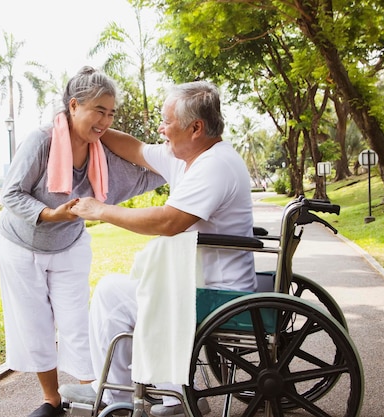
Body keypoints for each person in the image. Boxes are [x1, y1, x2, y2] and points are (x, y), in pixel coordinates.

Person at [59, 81, 257, 417]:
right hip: (199, 282)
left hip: (217, 293)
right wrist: (95, 127)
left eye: (167, 122)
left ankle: (115, 394)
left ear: (195, 128)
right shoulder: (187, 156)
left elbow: (169, 221)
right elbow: (135, 149)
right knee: (130, 291)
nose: (161, 130)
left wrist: (101, 210)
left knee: (110, 293)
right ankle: (169, 393)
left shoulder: (214, 166)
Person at [0, 66, 165, 417]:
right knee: (35, 322)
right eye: (98, 111)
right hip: (22, 245)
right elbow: (11, 194)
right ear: (73, 106)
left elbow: (146, 173)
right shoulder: (41, 141)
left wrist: (181, 159)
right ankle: (51, 401)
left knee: (76, 321)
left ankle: (100, 393)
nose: (105, 121)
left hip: (70, 245)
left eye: (111, 113)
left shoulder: (101, 151)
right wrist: (50, 214)